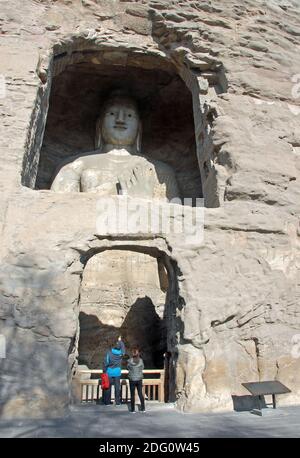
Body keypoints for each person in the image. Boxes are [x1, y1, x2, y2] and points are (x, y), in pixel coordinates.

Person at [103, 336, 125, 406]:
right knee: (117, 387)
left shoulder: (109, 353)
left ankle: (107, 402)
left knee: (108, 387)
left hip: (109, 372)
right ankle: (117, 402)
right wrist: (120, 341)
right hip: (117, 373)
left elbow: (106, 362)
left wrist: (104, 371)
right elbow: (123, 349)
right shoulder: (120, 354)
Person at [127, 348, 145, 413]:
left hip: (132, 379)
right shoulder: (141, 361)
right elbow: (142, 367)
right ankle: (143, 408)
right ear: (138, 354)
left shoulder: (129, 361)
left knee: (132, 394)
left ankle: (132, 409)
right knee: (140, 393)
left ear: (132, 354)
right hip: (139, 379)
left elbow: (128, 368)